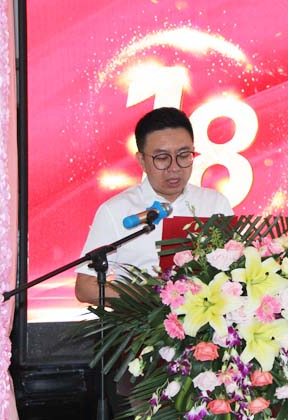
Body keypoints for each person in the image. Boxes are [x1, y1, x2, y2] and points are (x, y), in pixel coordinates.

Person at [74, 106, 234, 304]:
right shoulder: (115, 211)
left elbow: (235, 270)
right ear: (142, 160)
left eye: (184, 155)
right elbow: (86, 287)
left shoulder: (215, 203)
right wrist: (154, 297)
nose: (174, 167)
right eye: (162, 158)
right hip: (142, 322)